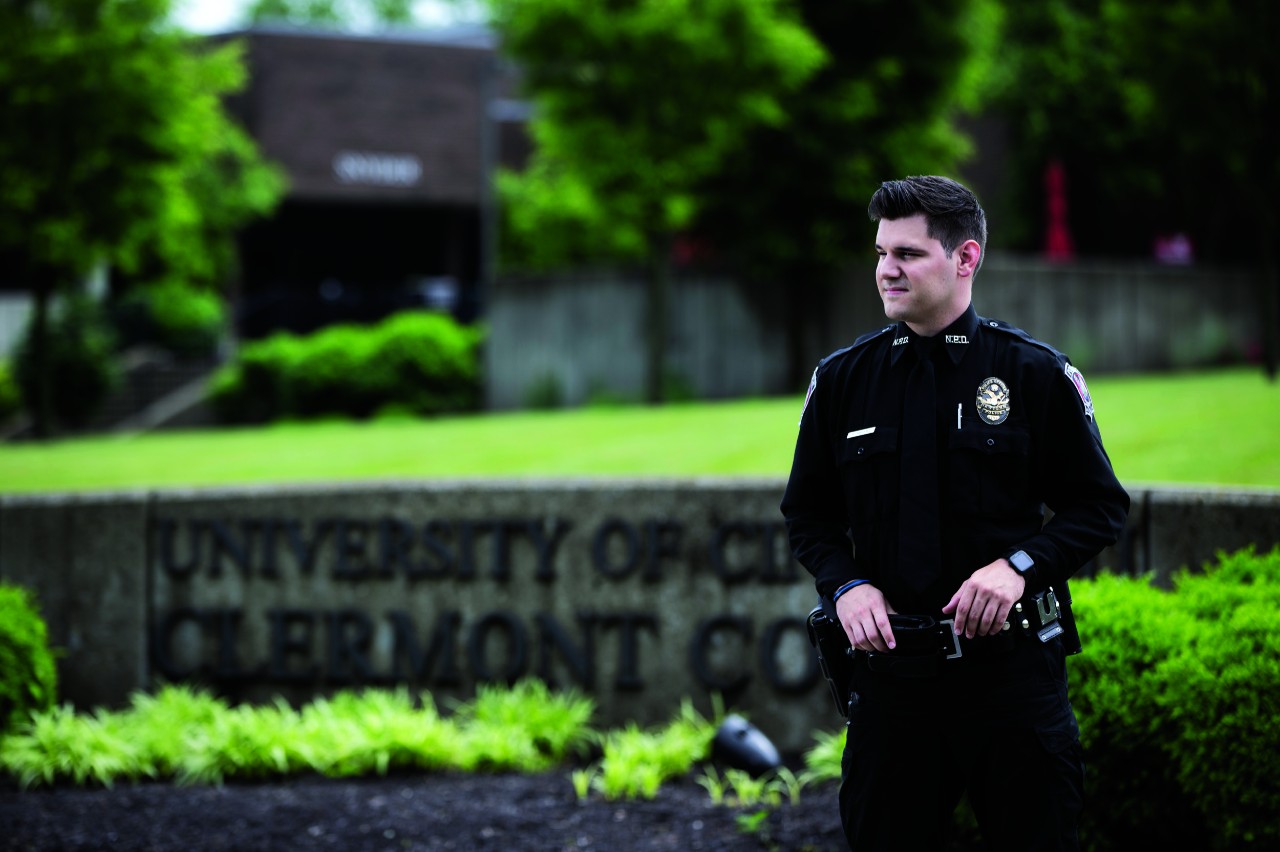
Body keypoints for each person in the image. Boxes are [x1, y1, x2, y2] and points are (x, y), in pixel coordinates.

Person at [780, 175, 1130, 851]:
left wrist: (1018, 568)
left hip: (1011, 683)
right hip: (892, 689)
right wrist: (846, 586)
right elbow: (809, 517)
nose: (886, 270)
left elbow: (1099, 507)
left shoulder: (1032, 374)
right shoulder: (844, 381)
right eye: (881, 253)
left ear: (965, 258)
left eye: (907, 254)